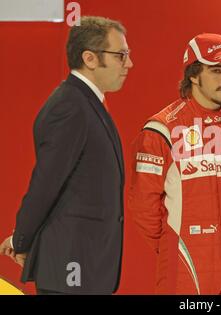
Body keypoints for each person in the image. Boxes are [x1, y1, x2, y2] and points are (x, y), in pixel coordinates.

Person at [0, 16, 133, 294]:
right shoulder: (71, 106)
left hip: (86, 268)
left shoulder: (84, 103)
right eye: (120, 55)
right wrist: (22, 241)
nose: (128, 64)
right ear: (90, 58)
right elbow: (46, 184)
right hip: (73, 268)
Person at [128, 33, 221, 294]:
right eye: (216, 70)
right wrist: (174, 246)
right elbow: (143, 207)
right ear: (193, 75)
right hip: (184, 261)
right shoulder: (161, 129)